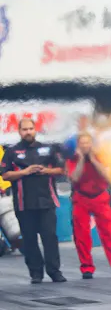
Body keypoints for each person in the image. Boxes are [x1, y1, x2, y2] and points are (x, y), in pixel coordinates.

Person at [0, 118, 66, 284]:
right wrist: (25, 172)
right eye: (24, 129)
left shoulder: (48, 149)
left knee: (50, 238)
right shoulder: (12, 152)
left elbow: (62, 169)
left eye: (30, 128)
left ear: (35, 129)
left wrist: (46, 171)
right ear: (19, 131)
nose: (28, 132)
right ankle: (36, 273)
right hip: (24, 203)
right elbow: (5, 175)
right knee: (29, 239)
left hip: (47, 201)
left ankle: (55, 272)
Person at [66, 133, 111, 279]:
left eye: (88, 143)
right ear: (78, 145)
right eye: (82, 143)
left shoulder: (102, 157)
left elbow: (107, 175)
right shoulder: (72, 159)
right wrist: (82, 159)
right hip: (81, 197)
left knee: (108, 233)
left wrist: (93, 159)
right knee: (81, 235)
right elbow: (74, 178)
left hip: (100, 196)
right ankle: (86, 267)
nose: (85, 146)